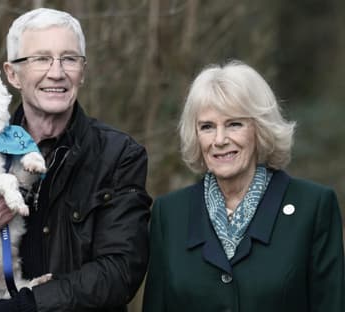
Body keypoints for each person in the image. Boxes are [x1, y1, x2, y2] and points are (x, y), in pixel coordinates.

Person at [0, 7, 152, 312]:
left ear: (83, 72)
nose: (56, 72)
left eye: (69, 59)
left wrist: (8, 310)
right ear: (12, 75)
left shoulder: (119, 155)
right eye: (41, 59)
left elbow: (119, 273)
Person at [142, 61, 344, 312]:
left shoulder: (313, 207)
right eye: (207, 127)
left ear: (260, 128)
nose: (219, 140)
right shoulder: (169, 214)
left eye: (234, 124)